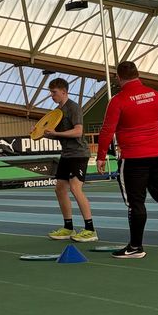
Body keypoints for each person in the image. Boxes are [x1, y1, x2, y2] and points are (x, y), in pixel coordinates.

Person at [95, 61, 158, 260]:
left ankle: (135, 247)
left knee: (135, 202)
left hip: (134, 157)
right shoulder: (155, 95)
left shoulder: (118, 100)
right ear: (138, 74)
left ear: (118, 77)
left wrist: (100, 157)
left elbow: (107, 130)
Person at [44, 78, 98, 243]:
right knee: (59, 189)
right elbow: (57, 134)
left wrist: (56, 134)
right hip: (66, 155)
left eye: (54, 92)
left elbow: (77, 132)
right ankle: (68, 228)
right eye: (51, 92)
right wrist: (43, 133)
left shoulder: (74, 107)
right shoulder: (56, 112)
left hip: (78, 154)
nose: (51, 95)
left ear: (64, 92)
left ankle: (90, 230)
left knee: (75, 188)